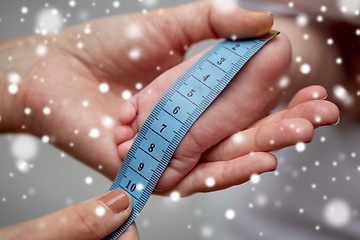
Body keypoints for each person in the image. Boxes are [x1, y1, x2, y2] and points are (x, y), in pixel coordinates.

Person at [0, 1, 339, 239]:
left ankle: (273, 61)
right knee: (326, 36)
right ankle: (280, 60)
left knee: (326, 44)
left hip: (268, 224)